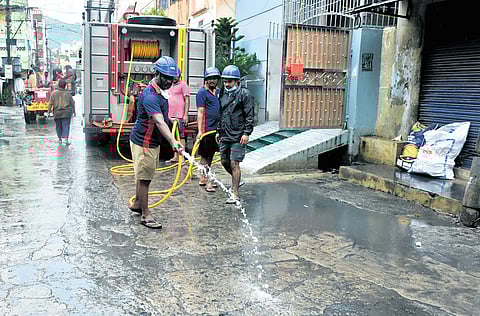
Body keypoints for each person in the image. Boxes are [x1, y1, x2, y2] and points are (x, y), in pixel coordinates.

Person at [128, 56, 184, 229]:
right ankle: (146, 215)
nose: (169, 81)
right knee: (145, 178)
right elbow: (158, 121)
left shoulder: (161, 92)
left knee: (142, 175)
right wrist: (174, 141)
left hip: (149, 140)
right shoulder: (150, 96)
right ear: (157, 74)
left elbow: (163, 118)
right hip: (145, 142)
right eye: (166, 77)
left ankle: (138, 203)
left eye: (172, 79)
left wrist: (171, 121)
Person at [217, 65, 254, 204]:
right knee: (224, 161)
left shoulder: (244, 94)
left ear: (237, 81)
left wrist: (246, 133)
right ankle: (237, 180)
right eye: (225, 81)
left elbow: (249, 115)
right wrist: (218, 130)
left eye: (230, 81)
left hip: (238, 134)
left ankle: (235, 194)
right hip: (225, 133)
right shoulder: (223, 93)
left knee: (234, 163)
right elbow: (221, 113)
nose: (227, 84)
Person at [196, 67, 221, 192]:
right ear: (206, 79)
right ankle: (204, 180)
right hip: (207, 129)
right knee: (205, 156)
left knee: (211, 155)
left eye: (214, 78)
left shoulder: (218, 92)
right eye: (210, 78)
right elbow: (200, 112)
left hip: (217, 130)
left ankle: (205, 178)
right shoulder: (202, 93)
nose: (212, 81)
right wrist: (200, 131)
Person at [167, 68, 191, 163]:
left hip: (179, 115)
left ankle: (182, 157)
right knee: (173, 136)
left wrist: (185, 115)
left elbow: (187, 99)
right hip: (170, 115)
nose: (174, 78)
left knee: (180, 136)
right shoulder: (169, 85)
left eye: (176, 76)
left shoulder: (183, 84)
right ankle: (175, 157)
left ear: (179, 76)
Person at [48, 79, 76, 145]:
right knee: (66, 125)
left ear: (58, 85)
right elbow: (72, 103)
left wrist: (48, 112)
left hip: (57, 113)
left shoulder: (54, 93)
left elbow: (50, 103)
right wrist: (74, 112)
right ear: (65, 86)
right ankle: (66, 139)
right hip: (66, 113)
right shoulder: (67, 93)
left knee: (58, 126)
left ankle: (59, 139)